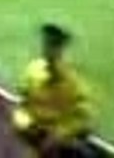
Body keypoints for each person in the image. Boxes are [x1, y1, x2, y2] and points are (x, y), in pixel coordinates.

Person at [12, 24, 96, 157]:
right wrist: (25, 125)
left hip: (61, 147)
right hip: (37, 141)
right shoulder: (32, 71)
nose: (49, 50)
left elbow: (83, 117)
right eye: (47, 44)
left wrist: (58, 135)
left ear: (61, 49)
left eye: (54, 45)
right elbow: (21, 105)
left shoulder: (72, 82)